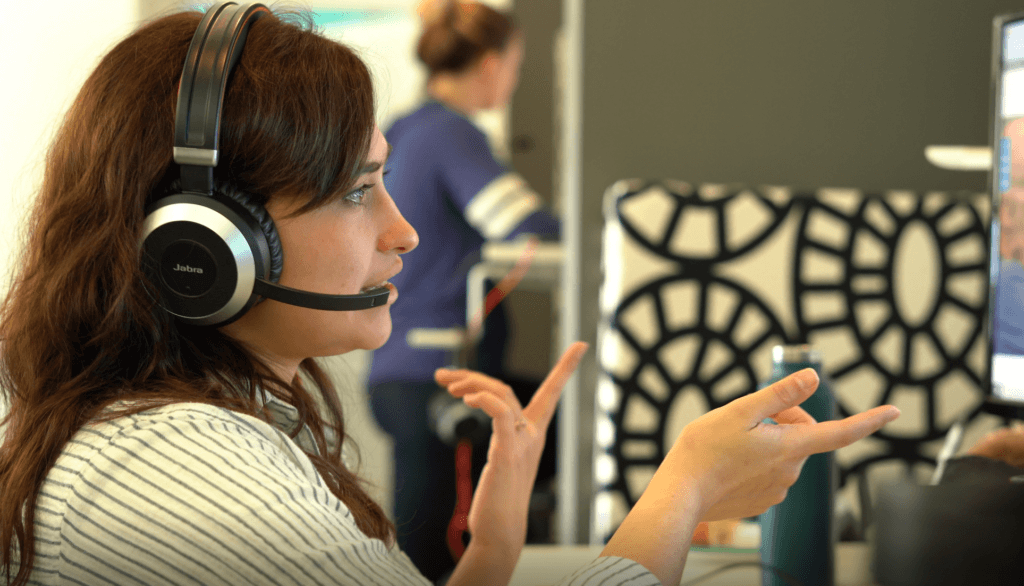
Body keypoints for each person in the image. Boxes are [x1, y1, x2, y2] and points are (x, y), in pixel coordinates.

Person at [0, 4, 901, 586]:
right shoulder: (179, 470)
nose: (404, 230)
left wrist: (497, 545)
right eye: (358, 191)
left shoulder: (211, 426)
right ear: (204, 245)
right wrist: (686, 487)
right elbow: (521, 221)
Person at [365, 1, 560, 579]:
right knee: (431, 557)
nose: (513, 79)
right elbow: (523, 226)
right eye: (516, 66)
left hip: (398, 372)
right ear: (491, 64)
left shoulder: (405, 127)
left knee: (423, 542)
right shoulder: (451, 134)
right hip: (437, 379)